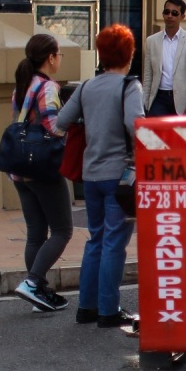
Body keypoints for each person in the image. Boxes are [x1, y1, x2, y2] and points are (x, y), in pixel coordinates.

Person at [56, 24, 144, 331]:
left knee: (95, 239)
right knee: (114, 244)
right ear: (128, 54)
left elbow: (61, 122)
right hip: (120, 176)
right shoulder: (129, 86)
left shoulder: (86, 87)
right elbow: (137, 127)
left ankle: (86, 307)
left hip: (90, 175)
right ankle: (108, 309)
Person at [8, 34, 73, 313]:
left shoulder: (22, 85)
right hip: (43, 168)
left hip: (20, 168)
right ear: (50, 57)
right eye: (59, 55)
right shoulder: (47, 87)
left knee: (36, 233)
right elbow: (53, 125)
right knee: (62, 230)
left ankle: (39, 292)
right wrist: (72, 123)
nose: (60, 59)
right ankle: (33, 282)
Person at [142, 0, 186, 117]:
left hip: (181, 100)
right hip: (158, 98)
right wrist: (145, 103)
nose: (170, 16)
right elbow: (148, 76)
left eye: (174, 13)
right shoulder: (151, 41)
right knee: (156, 134)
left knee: (182, 135)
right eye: (166, 12)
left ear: (182, 16)